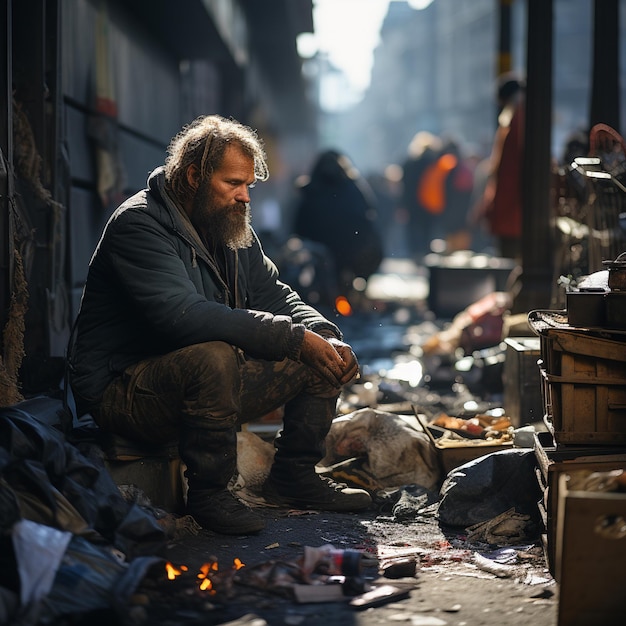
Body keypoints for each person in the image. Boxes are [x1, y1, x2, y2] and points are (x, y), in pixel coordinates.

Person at [68, 115, 372, 536]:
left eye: (249, 184)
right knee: (214, 355)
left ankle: (294, 478)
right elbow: (181, 316)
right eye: (233, 183)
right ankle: (209, 494)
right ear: (194, 177)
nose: (245, 197)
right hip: (123, 391)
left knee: (315, 351)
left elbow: (275, 294)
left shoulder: (228, 225)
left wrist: (322, 334)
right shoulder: (138, 224)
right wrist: (290, 337)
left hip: (190, 381)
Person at [292, 149, 383, 295]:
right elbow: (370, 216)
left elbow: (298, 227)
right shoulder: (354, 189)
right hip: (353, 252)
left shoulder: (309, 191)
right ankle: (358, 289)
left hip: (320, 255)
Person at [472, 74, 525, 260]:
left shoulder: (516, 122)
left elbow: (507, 172)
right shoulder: (517, 121)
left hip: (513, 210)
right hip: (513, 209)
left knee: (509, 260)